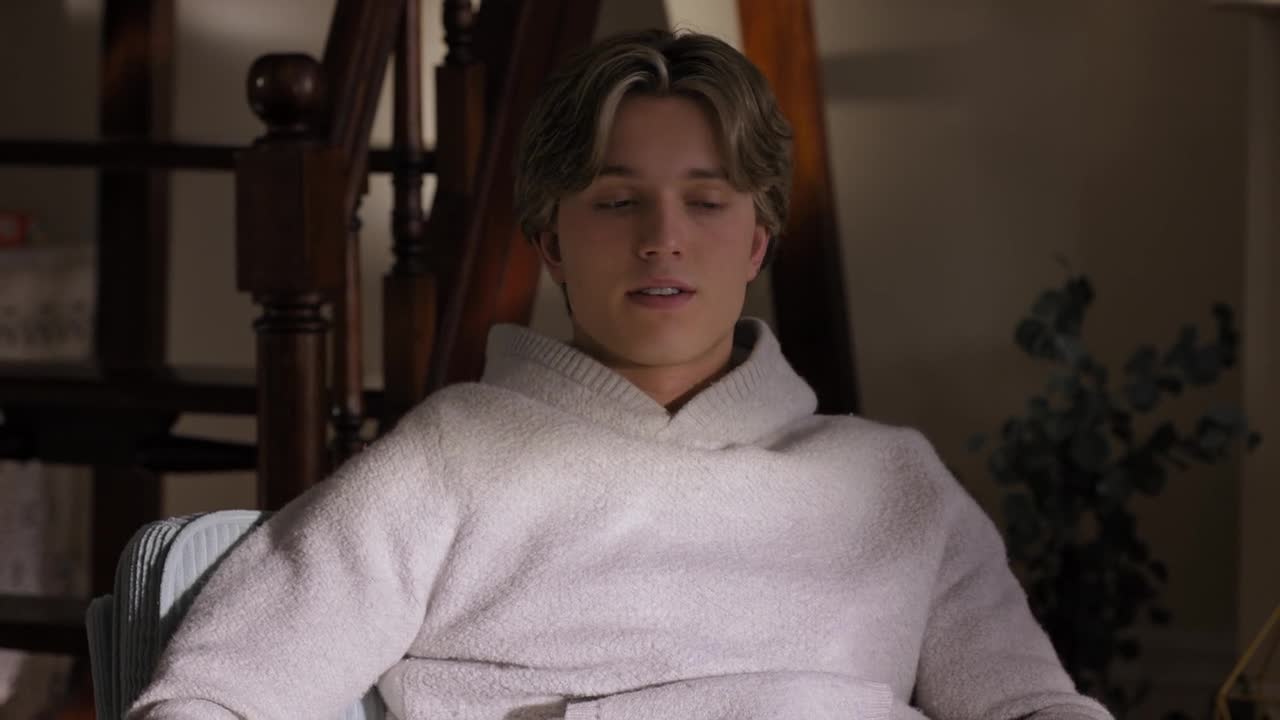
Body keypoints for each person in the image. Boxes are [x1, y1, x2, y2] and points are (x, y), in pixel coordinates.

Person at [130, 29, 1114, 720]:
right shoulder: (448, 459)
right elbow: (216, 698)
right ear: (552, 242)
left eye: (706, 201)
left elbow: (1030, 704)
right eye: (615, 201)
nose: (662, 239)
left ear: (757, 241)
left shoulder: (893, 480)